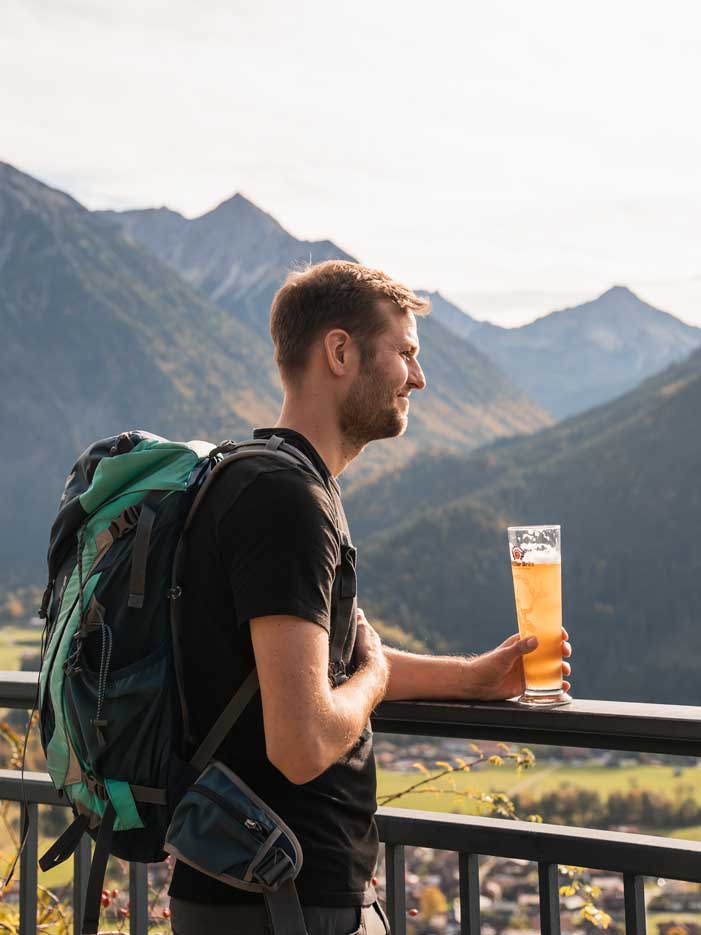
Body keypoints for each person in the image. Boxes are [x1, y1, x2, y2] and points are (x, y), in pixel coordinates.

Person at [167, 260, 572, 934]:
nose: (418, 377)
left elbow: (331, 660)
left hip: (245, 885)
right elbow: (303, 739)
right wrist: (377, 679)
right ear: (339, 351)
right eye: (406, 352)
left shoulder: (252, 477)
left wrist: (469, 678)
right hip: (286, 896)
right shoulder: (287, 502)